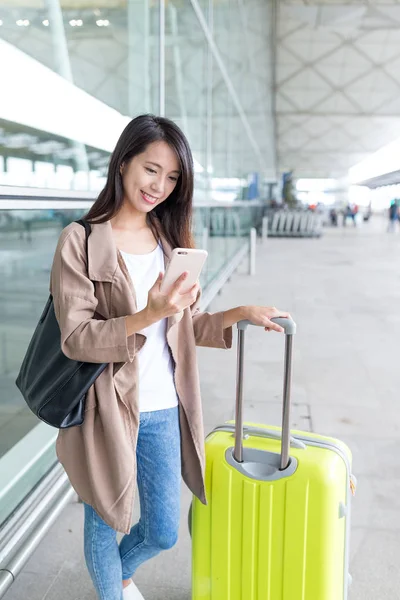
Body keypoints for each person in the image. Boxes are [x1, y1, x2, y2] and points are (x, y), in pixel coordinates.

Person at [50, 114, 290, 600]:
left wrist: (237, 313)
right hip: (107, 407)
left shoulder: (167, 241)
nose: (159, 185)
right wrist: (146, 313)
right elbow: (76, 337)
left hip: (163, 407)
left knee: (162, 530)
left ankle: (116, 574)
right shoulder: (80, 240)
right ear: (123, 164)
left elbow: (183, 328)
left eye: (173, 176)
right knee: (104, 515)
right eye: (151, 169)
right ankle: (112, 592)